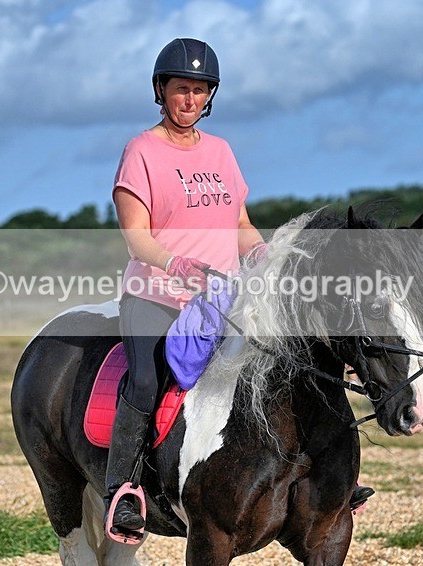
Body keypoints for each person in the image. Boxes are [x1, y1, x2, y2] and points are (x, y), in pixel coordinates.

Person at [106, 37, 372, 537]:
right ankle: (124, 491)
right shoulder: (140, 151)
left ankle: (330, 478)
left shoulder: (222, 152)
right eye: (181, 89)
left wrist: (263, 256)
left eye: (200, 90)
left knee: (298, 365)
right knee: (145, 381)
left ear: (211, 96)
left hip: (227, 299)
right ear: (161, 91)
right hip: (157, 296)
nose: (190, 100)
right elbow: (136, 238)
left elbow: (240, 223)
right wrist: (177, 262)